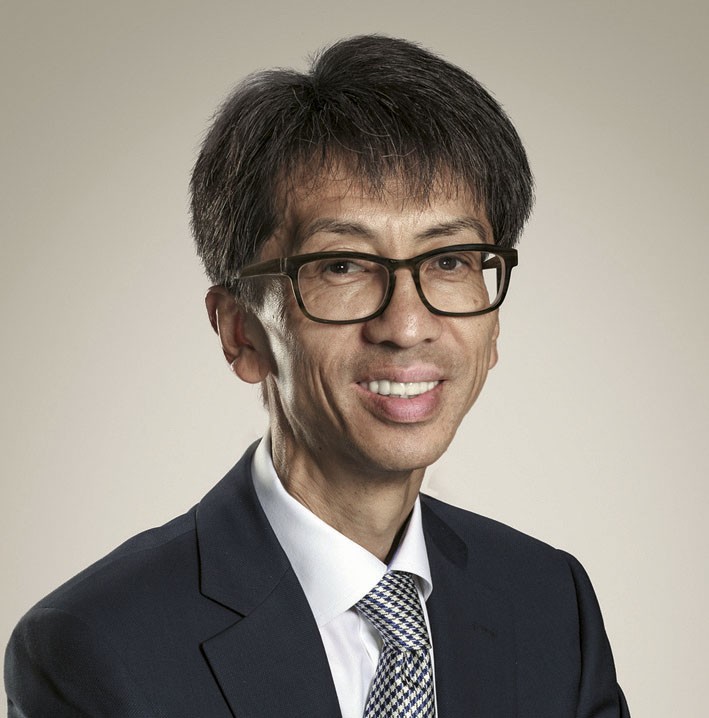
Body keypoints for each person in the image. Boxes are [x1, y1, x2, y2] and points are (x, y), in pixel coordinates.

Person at [4, 35, 630, 717]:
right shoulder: (96, 648)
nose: (407, 325)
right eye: (342, 265)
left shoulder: (548, 603)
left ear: (494, 324)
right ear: (240, 331)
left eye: (449, 260)